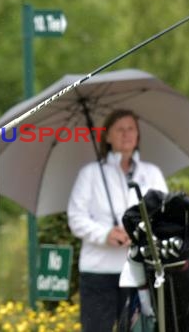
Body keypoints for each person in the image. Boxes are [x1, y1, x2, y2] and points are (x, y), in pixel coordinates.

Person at [67, 109, 168, 332]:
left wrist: (139, 235)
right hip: (98, 272)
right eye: (119, 129)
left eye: (131, 128)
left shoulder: (152, 174)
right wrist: (105, 234)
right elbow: (76, 217)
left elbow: (164, 215)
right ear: (107, 137)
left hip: (139, 272)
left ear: (138, 135)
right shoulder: (91, 174)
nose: (126, 134)